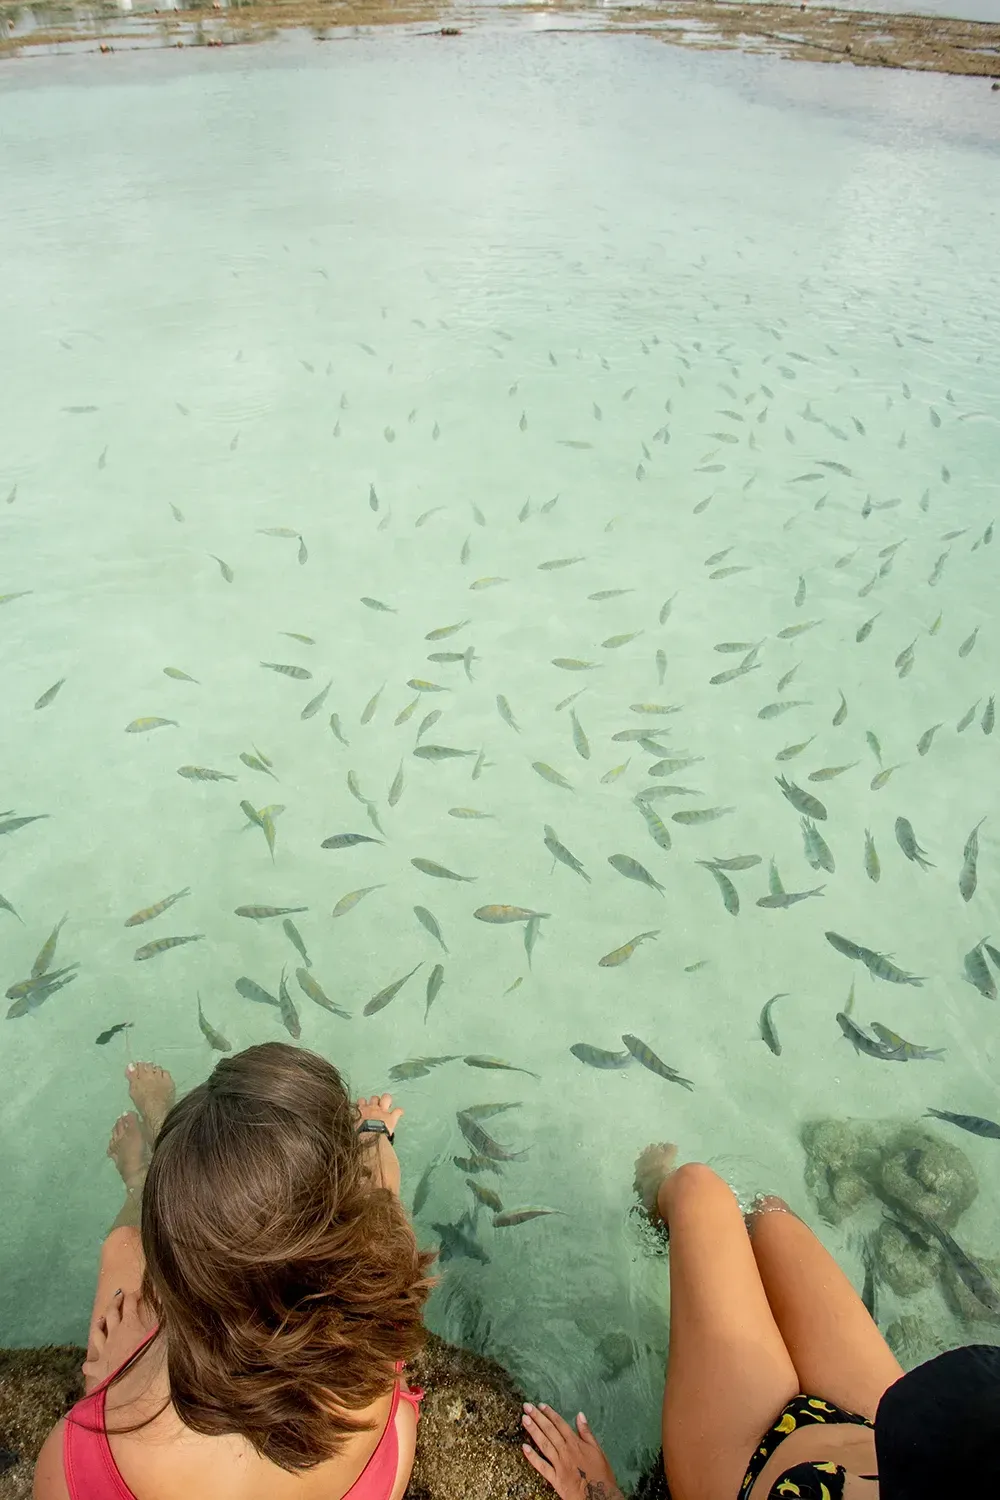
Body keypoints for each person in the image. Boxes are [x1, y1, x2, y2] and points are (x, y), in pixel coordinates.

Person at [33, 1044, 434, 1500]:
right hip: (364, 1472)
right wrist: (374, 1130)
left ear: (171, 1282)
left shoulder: (74, 1462)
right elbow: (382, 1185)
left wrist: (114, 1381)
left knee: (122, 1260)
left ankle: (141, 1179)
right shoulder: (376, 1295)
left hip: (153, 1422)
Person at [519, 1143, 1000, 1500]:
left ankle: (659, 1206)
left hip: (750, 1471)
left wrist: (598, 1491)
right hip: (890, 1433)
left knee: (696, 1189)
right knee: (769, 1216)